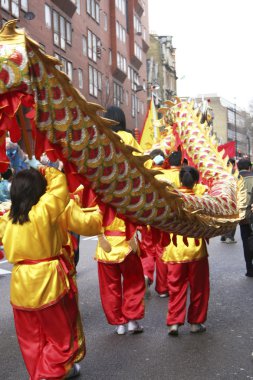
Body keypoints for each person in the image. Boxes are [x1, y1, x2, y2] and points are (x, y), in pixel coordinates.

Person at [0, 163, 104, 379]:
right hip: (48, 281)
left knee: (32, 340)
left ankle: (40, 374)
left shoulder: (6, 220)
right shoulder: (44, 211)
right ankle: (48, 375)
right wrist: (45, 169)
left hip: (20, 286)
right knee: (62, 338)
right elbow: (59, 184)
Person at [95, 106, 146, 335]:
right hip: (128, 224)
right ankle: (133, 319)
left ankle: (120, 324)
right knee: (133, 279)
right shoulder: (129, 139)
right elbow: (144, 170)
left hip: (105, 231)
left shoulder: (98, 141)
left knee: (110, 285)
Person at [162, 166, 209, 336]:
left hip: (174, 249)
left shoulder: (171, 199)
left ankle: (174, 323)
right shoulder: (201, 199)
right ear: (195, 182)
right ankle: (196, 323)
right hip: (196, 249)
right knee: (199, 288)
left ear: (180, 180)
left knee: (176, 288)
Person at [140, 149, 168, 298]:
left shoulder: (143, 176)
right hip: (163, 220)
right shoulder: (166, 176)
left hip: (146, 220)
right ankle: (163, 288)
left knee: (147, 250)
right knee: (162, 251)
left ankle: (146, 275)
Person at [237, 158, 253, 277]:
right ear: (249, 167)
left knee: (246, 243)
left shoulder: (234, 180)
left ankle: (249, 269)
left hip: (243, 217)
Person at [220, 158, 237, 243]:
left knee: (224, 217)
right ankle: (229, 237)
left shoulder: (221, 173)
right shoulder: (235, 173)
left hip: (222, 198)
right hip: (232, 198)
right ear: (233, 164)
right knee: (233, 218)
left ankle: (223, 235)